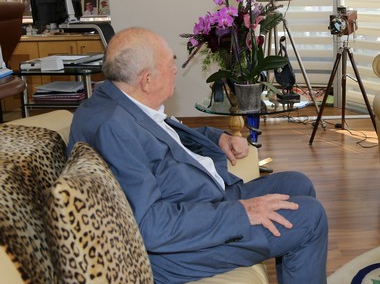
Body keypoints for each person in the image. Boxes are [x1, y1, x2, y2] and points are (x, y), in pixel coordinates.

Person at [68, 27, 328, 284]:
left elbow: (163, 137)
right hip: (181, 249)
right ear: (146, 80)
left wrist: (218, 138)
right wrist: (242, 212)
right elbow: (153, 225)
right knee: (310, 217)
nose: (175, 70)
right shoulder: (114, 128)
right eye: (170, 63)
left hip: (199, 202)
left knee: (298, 183)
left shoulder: (120, 101)